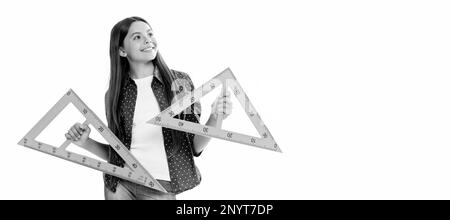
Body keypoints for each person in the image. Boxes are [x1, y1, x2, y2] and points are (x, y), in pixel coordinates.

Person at [65, 16, 232, 200]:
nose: (147, 39)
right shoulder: (114, 94)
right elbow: (117, 152)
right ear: (121, 50)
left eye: (150, 33)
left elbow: (194, 146)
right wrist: (85, 143)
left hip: (161, 187)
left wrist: (215, 118)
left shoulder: (180, 83)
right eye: (137, 37)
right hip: (119, 183)